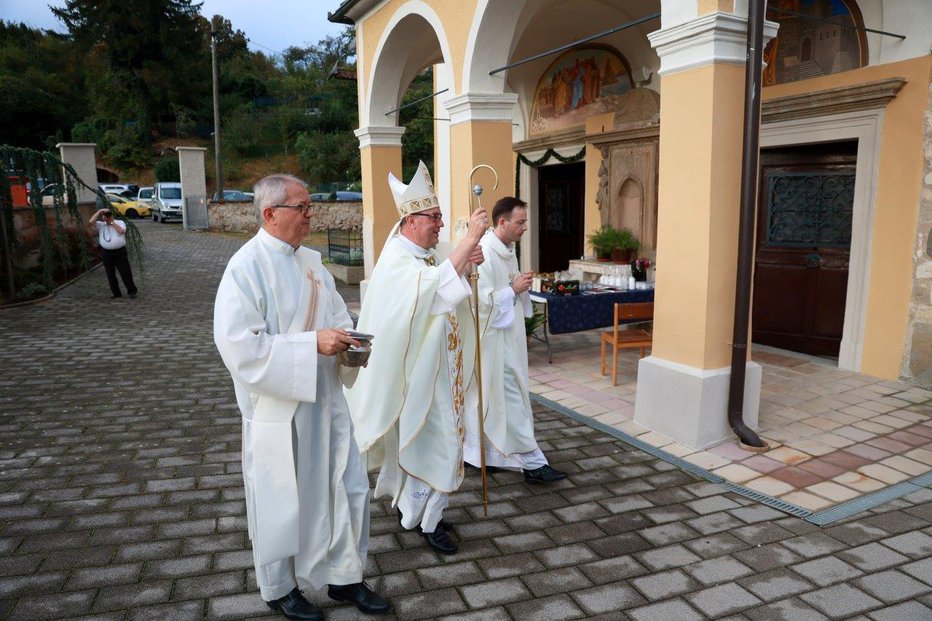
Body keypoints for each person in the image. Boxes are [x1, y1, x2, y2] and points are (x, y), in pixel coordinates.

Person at [213, 174, 389, 620]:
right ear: (271, 214)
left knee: (346, 487)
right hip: (280, 411)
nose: (313, 215)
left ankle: (346, 576)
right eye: (303, 207)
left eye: (311, 206)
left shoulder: (311, 261)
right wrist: (312, 343)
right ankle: (280, 587)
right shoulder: (245, 267)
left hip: (326, 401)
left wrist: (351, 340)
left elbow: (334, 315)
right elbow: (240, 347)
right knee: (281, 496)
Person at [345, 161, 486, 556]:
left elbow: (440, 288)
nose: (440, 224)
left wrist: (465, 263)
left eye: (441, 216)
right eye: (434, 217)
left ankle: (420, 512)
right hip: (420, 378)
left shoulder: (421, 256)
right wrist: (469, 238)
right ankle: (428, 522)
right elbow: (431, 288)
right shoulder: (397, 261)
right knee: (439, 444)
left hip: (439, 373)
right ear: (410, 220)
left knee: (438, 442)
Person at [465, 197, 567, 484]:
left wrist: (518, 287)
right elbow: (479, 303)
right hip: (493, 342)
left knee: (495, 401)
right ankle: (533, 464)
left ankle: (479, 455)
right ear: (502, 222)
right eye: (520, 222)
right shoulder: (484, 252)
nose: (525, 228)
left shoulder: (508, 251)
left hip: (509, 338)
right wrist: (513, 289)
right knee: (510, 400)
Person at [88, 206, 137, 299]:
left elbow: (121, 231)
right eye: (105, 215)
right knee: (110, 274)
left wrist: (111, 222)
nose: (107, 216)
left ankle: (132, 291)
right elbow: (90, 222)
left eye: (108, 214)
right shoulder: (100, 225)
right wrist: (99, 211)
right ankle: (116, 293)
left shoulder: (120, 222)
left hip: (120, 252)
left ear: (112, 215)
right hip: (106, 253)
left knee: (125, 272)